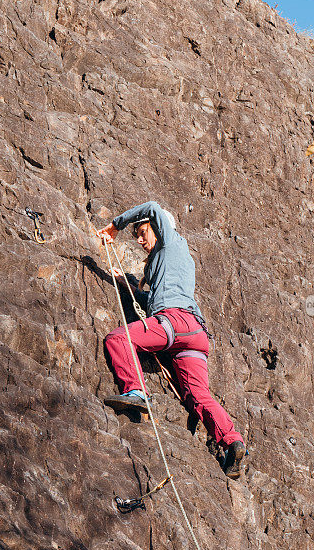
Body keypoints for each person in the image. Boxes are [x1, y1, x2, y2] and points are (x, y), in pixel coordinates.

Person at [97, 201, 246, 479]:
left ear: (160, 228)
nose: (140, 240)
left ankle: (136, 391)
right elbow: (155, 301)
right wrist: (130, 286)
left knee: (119, 339)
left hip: (174, 323)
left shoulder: (171, 243)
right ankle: (233, 442)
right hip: (195, 335)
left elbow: (153, 206)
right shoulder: (171, 260)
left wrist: (116, 225)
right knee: (198, 396)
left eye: (143, 232)